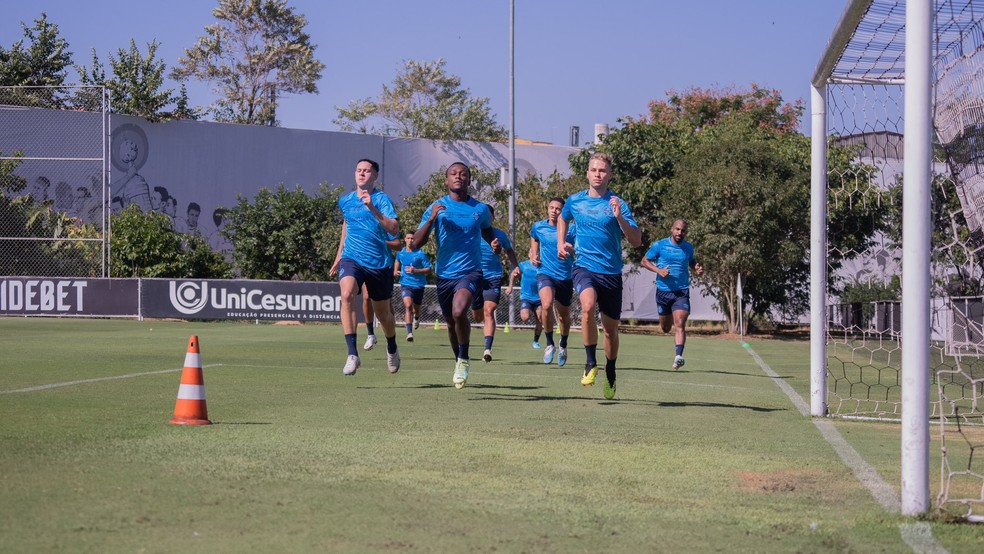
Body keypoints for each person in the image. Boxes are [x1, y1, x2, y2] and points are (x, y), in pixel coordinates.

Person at [557, 152, 642, 400]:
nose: (597, 174)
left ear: (610, 175)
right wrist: (561, 242)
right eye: (594, 170)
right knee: (587, 306)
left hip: (611, 273)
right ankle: (590, 362)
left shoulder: (618, 203)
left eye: (602, 170)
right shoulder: (575, 201)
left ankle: (611, 370)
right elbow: (563, 218)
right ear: (587, 173)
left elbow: (636, 241)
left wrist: (618, 217)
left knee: (610, 331)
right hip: (584, 267)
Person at [412, 162, 498, 389]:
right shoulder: (437, 207)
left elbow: (487, 229)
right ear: (446, 180)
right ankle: (460, 358)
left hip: (471, 271)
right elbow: (416, 244)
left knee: (460, 312)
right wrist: (430, 219)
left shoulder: (479, 209)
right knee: (451, 322)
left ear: (469, 181)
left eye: (463, 174)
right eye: (453, 174)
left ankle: (464, 358)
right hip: (444, 274)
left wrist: (494, 243)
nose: (458, 177)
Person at [334, 158, 402, 376]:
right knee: (346, 295)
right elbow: (347, 225)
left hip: (379, 264)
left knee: (384, 316)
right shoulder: (345, 201)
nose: (362, 174)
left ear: (375, 176)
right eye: (358, 170)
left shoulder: (382, 200)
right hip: (352, 258)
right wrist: (338, 255)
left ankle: (391, 346)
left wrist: (371, 206)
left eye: (366, 171)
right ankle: (352, 354)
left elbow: (394, 228)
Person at [640, 219, 704, 370]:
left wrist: (696, 267)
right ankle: (666, 326)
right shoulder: (660, 245)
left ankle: (678, 356)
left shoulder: (688, 248)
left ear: (686, 233)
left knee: (680, 322)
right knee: (666, 327)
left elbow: (691, 260)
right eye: (677, 229)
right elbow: (644, 261)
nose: (679, 233)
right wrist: (659, 270)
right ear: (671, 229)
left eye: (683, 231)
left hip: (681, 291)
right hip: (663, 292)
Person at [529, 197, 577, 367]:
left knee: (563, 316)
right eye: (551, 207)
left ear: (563, 212)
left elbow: (578, 248)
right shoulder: (538, 226)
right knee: (546, 305)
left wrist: (571, 249)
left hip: (565, 276)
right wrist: (534, 254)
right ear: (547, 208)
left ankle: (563, 345)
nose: (554, 211)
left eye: (558, 209)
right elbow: (534, 238)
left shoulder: (571, 230)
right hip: (545, 273)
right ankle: (549, 344)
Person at [471, 204, 519, 363]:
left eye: (489, 215)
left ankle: (487, 348)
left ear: (491, 218)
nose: (487, 218)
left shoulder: (500, 235)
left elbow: (509, 250)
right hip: (475, 276)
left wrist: (516, 266)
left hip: (493, 276)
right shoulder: (473, 233)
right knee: (477, 316)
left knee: (489, 310)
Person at [393, 232, 432, 342]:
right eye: (408, 238)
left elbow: (429, 269)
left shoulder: (420, 254)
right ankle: (409, 333)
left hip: (419, 285)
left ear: (414, 240)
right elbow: (397, 260)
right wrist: (395, 271)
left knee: (416, 309)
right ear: (405, 239)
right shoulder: (401, 253)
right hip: (405, 284)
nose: (410, 240)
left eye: (412, 238)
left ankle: (417, 317)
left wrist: (416, 270)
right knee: (408, 305)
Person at [507, 259, 544, 349]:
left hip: (539, 298)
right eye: (533, 252)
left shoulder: (542, 265)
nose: (536, 255)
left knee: (540, 319)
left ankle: (535, 341)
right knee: (525, 317)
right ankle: (530, 310)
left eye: (538, 253)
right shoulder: (523, 265)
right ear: (529, 254)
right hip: (526, 297)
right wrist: (510, 286)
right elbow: (513, 274)